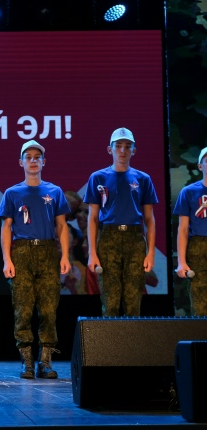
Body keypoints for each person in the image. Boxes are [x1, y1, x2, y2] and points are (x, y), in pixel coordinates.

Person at [0, 139, 70, 380]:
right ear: (21, 162)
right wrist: (7, 259)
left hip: (47, 251)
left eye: (37, 157)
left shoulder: (55, 191)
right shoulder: (12, 193)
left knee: (49, 309)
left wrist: (65, 256)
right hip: (22, 251)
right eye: (28, 157)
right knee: (23, 309)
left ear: (43, 162)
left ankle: (46, 361)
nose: (32, 161)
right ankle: (27, 361)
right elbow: (6, 228)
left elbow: (62, 226)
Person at [84, 127, 158, 316]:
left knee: (134, 301)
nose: (123, 150)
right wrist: (92, 253)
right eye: (118, 146)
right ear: (110, 149)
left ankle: (133, 336)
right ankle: (111, 337)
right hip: (108, 237)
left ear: (134, 150)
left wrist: (150, 253)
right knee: (110, 301)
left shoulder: (143, 179)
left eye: (127, 146)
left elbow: (149, 219)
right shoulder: (98, 177)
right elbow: (92, 218)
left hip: (135, 238)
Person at [174, 146, 207, 316]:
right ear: (200, 166)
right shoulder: (189, 192)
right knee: (200, 301)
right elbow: (183, 229)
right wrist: (181, 262)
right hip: (198, 246)